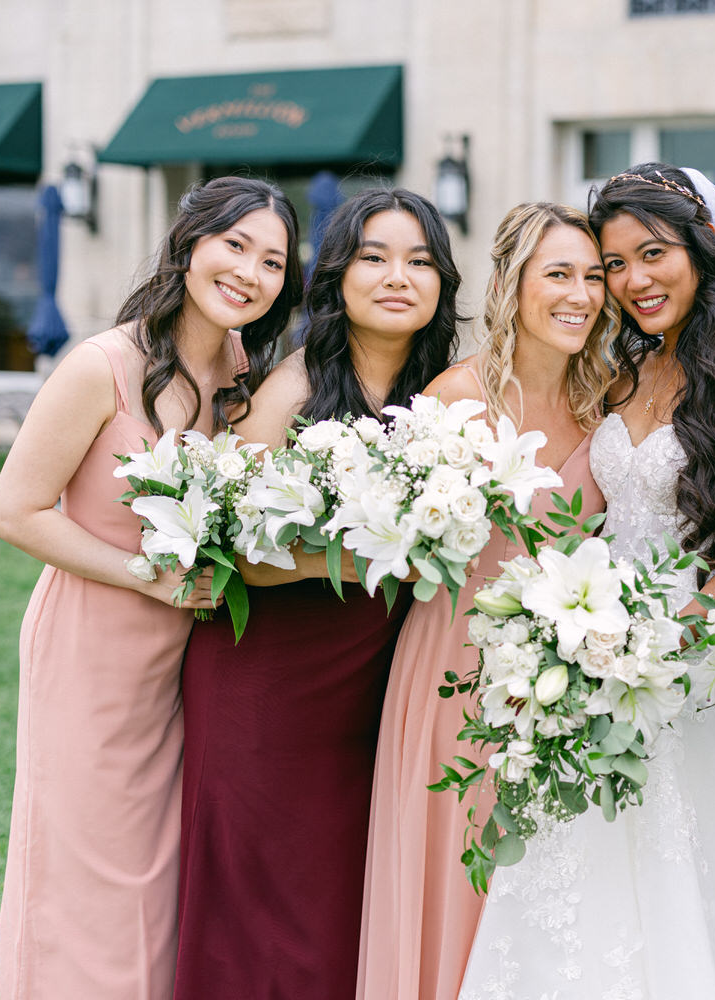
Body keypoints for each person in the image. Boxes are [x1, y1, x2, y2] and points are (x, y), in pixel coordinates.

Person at [460, 164, 715, 999]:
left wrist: (660, 639)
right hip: (598, 661)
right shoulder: (625, 370)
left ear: (700, 250)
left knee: (685, 892)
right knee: (580, 886)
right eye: (615, 265)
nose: (633, 280)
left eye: (653, 254)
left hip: (688, 668)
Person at [0, 176, 301, 999]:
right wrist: (149, 580)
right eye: (234, 245)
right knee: (89, 872)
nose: (249, 272)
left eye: (272, 261)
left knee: (160, 873)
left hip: (189, 661)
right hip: (91, 646)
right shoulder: (102, 365)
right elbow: (15, 513)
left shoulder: (249, 376)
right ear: (189, 244)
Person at [173, 188, 460, 998]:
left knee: (337, 904)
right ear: (335, 277)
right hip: (268, 683)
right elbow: (223, 545)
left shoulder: (446, 395)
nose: (397, 276)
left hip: (374, 692)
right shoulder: (297, 385)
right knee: (258, 911)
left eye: (420, 260)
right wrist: (362, 553)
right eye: (373, 257)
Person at [356, 201, 614, 1000]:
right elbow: (397, 549)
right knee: (460, 879)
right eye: (559, 275)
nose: (581, 294)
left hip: (564, 685)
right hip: (457, 674)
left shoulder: (605, 397)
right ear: (511, 284)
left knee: (545, 902)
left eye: (594, 277)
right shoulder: (459, 398)